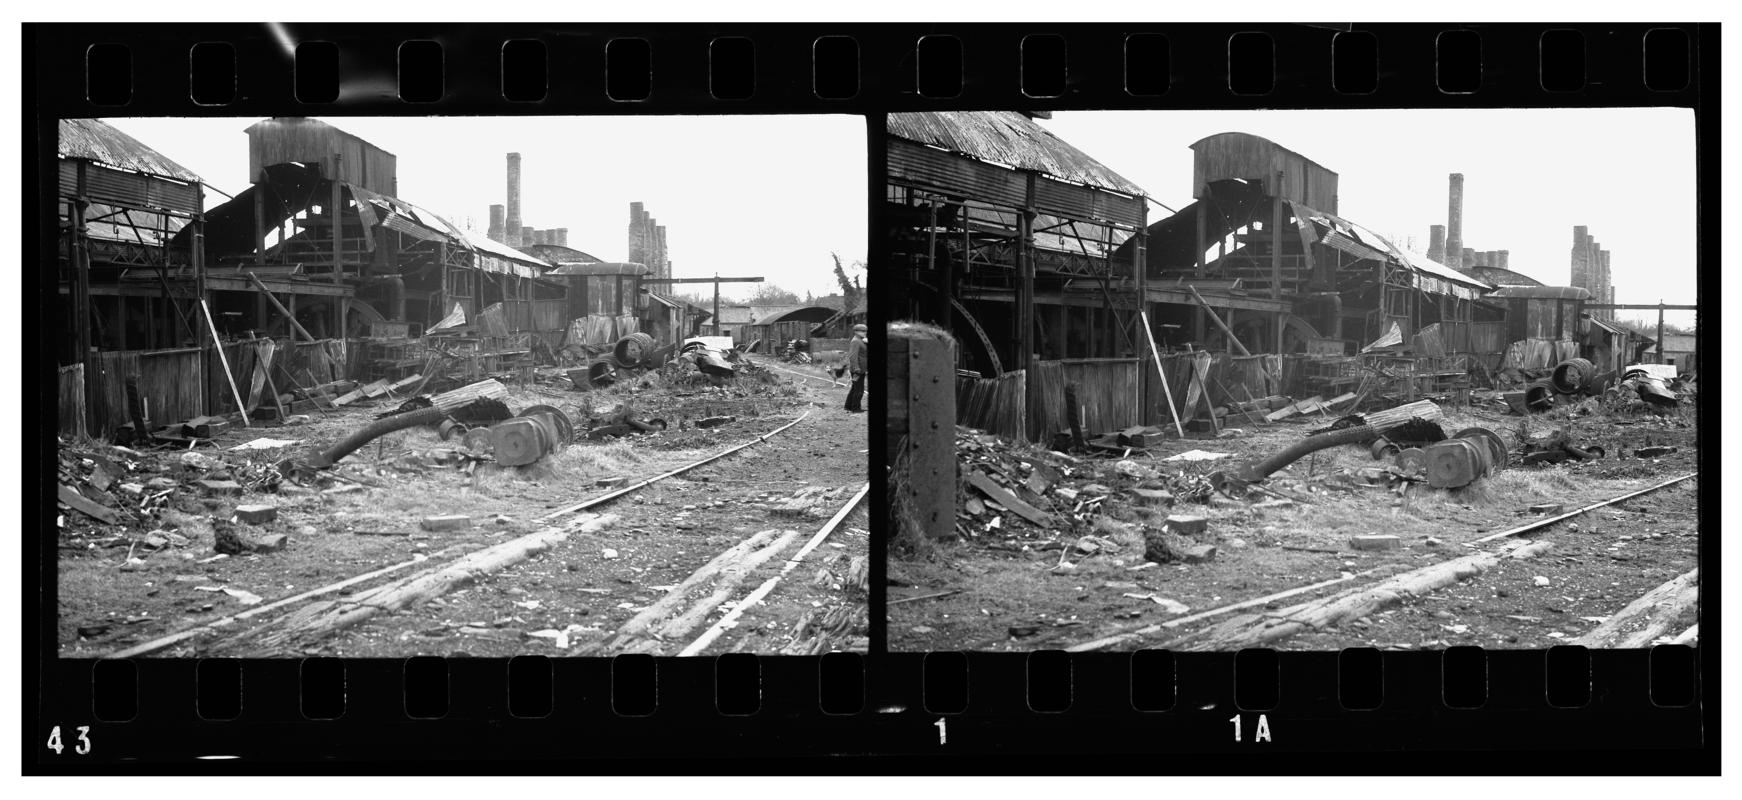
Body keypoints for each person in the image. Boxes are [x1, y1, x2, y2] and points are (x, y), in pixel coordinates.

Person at [842, 323, 867, 413]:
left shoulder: (861, 340)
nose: (864, 332)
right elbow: (852, 356)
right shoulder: (856, 341)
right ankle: (855, 408)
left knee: (854, 388)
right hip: (858, 369)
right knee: (859, 390)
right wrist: (856, 368)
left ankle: (848, 406)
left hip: (861, 368)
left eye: (865, 331)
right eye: (862, 331)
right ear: (856, 332)